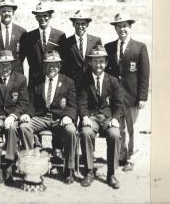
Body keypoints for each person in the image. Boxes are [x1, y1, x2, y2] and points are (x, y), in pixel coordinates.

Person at [19, 50, 78, 184]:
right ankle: (30, 164)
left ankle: (69, 169)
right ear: (44, 66)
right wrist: (28, 114)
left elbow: (72, 105)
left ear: (60, 66)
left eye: (55, 64)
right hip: (41, 117)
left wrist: (68, 116)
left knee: (71, 130)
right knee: (24, 126)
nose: (52, 67)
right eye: (48, 64)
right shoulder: (36, 81)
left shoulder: (68, 82)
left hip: (59, 119)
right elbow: (31, 102)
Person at [104, 13, 150, 172]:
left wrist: (142, 97)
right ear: (115, 28)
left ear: (130, 27)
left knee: (133, 128)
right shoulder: (109, 47)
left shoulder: (140, 47)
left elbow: (144, 74)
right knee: (120, 127)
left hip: (132, 96)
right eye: (119, 26)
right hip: (115, 97)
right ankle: (121, 155)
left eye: (125, 25)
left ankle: (131, 158)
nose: (122, 29)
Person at [78, 45, 123, 189]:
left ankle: (111, 173)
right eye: (95, 61)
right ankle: (89, 171)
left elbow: (119, 104)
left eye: (101, 61)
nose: (99, 65)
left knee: (115, 134)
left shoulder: (113, 81)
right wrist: (84, 116)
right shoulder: (84, 80)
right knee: (85, 132)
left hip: (108, 118)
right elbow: (82, 103)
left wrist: (115, 118)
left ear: (106, 63)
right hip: (91, 117)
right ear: (90, 63)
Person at [0, 50, 29, 184]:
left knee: (12, 128)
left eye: (7, 65)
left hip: (11, 117)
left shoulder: (20, 79)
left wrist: (13, 116)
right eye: (2, 65)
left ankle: (9, 164)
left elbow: (23, 102)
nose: (5, 68)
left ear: (12, 65)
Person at [20, 1, 66, 85]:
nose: (42, 18)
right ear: (36, 18)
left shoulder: (60, 35)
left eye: (45, 15)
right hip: (35, 81)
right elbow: (21, 59)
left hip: (54, 79)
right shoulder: (29, 36)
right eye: (39, 16)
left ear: (50, 16)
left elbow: (64, 60)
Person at [63, 10, 102, 90]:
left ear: (87, 24)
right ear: (73, 24)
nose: (80, 26)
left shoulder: (96, 41)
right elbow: (64, 65)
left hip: (91, 83)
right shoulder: (66, 42)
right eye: (77, 23)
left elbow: (101, 61)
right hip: (72, 84)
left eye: (83, 24)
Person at [0, 0, 26, 78]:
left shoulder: (22, 32)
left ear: (13, 12)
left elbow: (23, 54)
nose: (6, 13)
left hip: (16, 72)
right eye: (4, 11)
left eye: (9, 11)